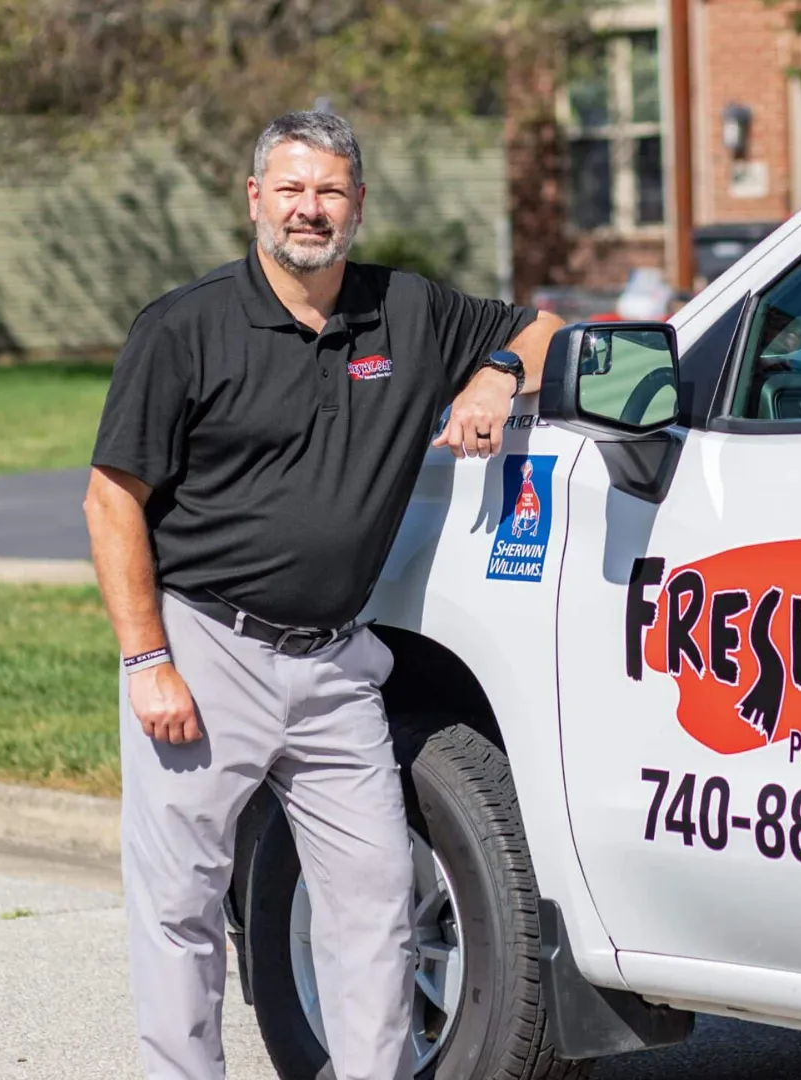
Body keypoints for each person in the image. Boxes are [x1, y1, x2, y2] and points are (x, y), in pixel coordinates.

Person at [82, 110, 563, 1080]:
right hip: (206, 649)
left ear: (358, 204)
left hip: (340, 663)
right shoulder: (184, 328)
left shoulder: (410, 312)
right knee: (178, 909)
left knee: (376, 904)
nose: (311, 209)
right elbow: (110, 500)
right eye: (292, 189)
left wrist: (496, 377)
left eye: (331, 190)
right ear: (254, 199)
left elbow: (547, 326)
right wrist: (148, 660)